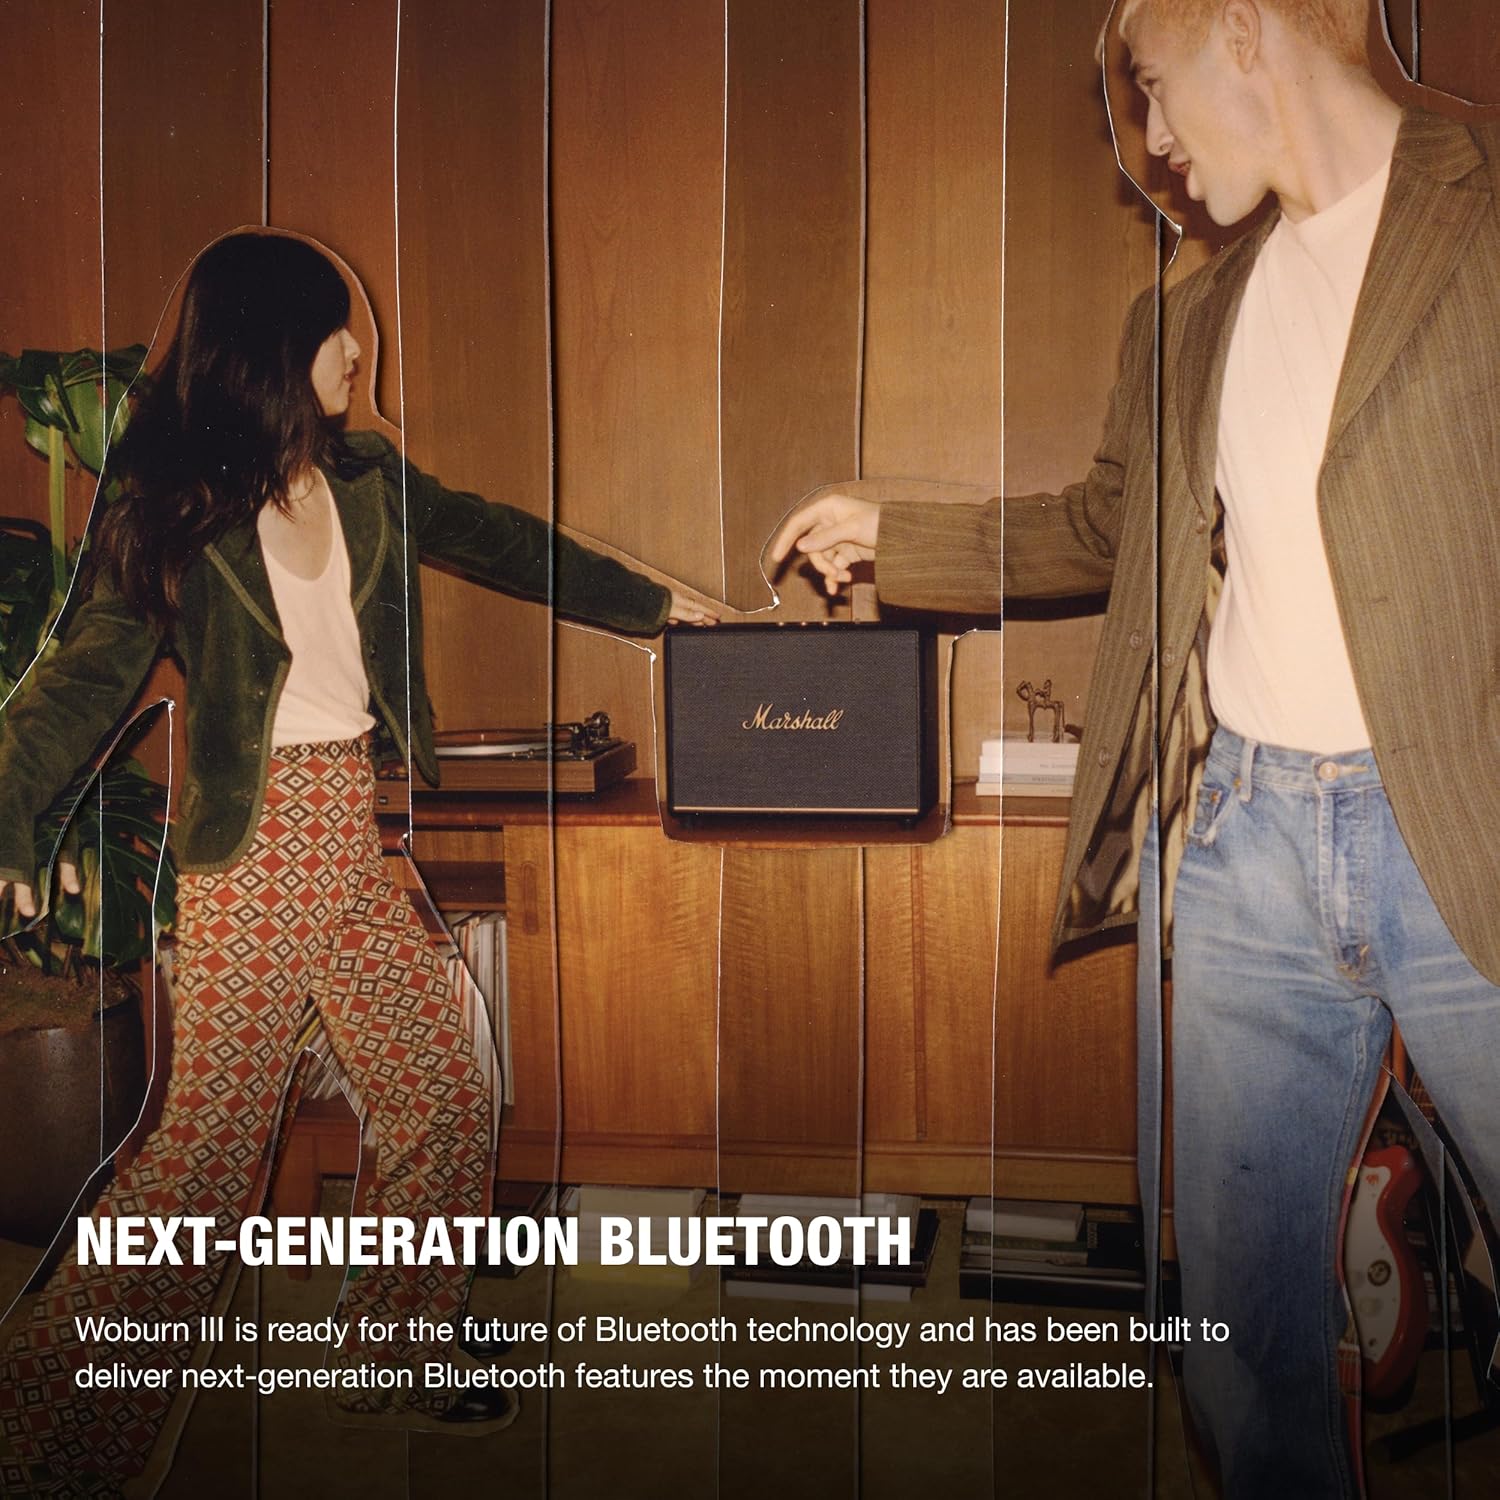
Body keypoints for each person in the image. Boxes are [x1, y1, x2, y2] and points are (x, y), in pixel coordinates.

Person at [769, 2, 1500, 1495]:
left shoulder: (1482, 210)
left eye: (1155, 90)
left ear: (1243, 30)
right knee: (1239, 1340)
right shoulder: (1189, 308)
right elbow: (1109, 523)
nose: (1151, 144)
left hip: (1465, 833)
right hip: (1248, 846)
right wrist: (895, 532)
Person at [0, 229, 712, 1496]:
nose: (355, 349)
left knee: (441, 1090)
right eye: (336, 328)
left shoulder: (368, 478)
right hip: (255, 857)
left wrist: (660, 610)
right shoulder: (173, 507)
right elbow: (82, 679)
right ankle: (37, 1428)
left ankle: (392, 1349)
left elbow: (508, 541)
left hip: (350, 829)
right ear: (274, 344)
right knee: (203, 1171)